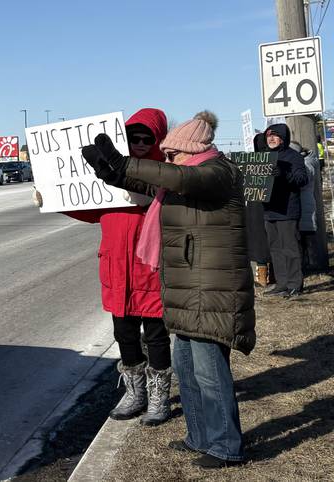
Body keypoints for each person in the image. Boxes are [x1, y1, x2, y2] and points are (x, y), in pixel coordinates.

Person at [82, 111, 255, 469]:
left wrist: (124, 160)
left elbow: (175, 176)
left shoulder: (216, 173)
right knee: (187, 370)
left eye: (173, 153)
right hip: (190, 290)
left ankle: (226, 446)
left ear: (191, 150)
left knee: (210, 375)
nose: (168, 158)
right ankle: (199, 437)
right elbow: (153, 185)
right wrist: (113, 173)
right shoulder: (189, 177)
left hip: (211, 292)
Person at [34, 108, 173, 426]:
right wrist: (53, 202)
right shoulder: (109, 170)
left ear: (157, 139)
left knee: (156, 336)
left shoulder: (165, 171)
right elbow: (91, 210)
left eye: (146, 137)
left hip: (149, 268)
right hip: (116, 267)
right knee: (124, 334)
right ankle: (135, 393)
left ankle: (158, 397)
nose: (138, 142)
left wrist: (153, 197)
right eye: (132, 136)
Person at [262, 124, 308, 298]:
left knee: (290, 248)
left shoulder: (293, 157)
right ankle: (281, 284)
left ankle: (295, 284)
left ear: (283, 138)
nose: (271, 139)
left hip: (287, 210)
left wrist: (284, 174)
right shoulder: (263, 157)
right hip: (269, 209)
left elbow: (301, 179)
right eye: (268, 136)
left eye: (275, 136)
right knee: (275, 248)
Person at [290, 140, 321, 273]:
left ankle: (312, 266)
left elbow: (302, 182)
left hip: (304, 202)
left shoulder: (306, 164)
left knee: (307, 236)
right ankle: (309, 264)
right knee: (304, 235)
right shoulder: (308, 161)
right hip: (304, 202)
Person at [247, 133, 271, 287]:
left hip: (254, 206)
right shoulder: (273, 159)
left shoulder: (251, 162)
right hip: (271, 206)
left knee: (258, 240)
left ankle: (262, 275)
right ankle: (271, 274)